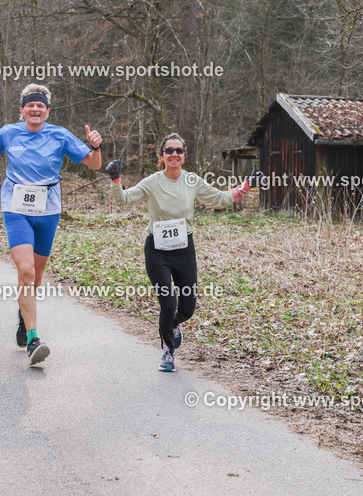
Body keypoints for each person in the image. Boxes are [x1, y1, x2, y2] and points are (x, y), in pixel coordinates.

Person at [0, 84, 102, 366]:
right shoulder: (9, 133)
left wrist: (97, 147)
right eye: (30, 105)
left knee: (35, 278)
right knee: (24, 270)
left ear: (47, 111)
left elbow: (95, 165)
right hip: (16, 208)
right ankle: (34, 338)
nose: (35, 110)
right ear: (22, 110)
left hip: (48, 210)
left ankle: (23, 317)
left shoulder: (60, 135)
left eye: (40, 106)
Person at [108, 134, 260, 372]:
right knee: (168, 303)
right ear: (162, 155)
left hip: (184, 249)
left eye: (179, 150)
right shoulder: (152, 182)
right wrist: (116, 179)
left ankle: (173, 325)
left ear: (184, 154)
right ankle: (168, 352)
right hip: (157, 250)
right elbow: (124, 200)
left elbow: (219, 199)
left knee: (186, 308)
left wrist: (246, 186)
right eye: (169, 151)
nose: (174, 154)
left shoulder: (192, 181)